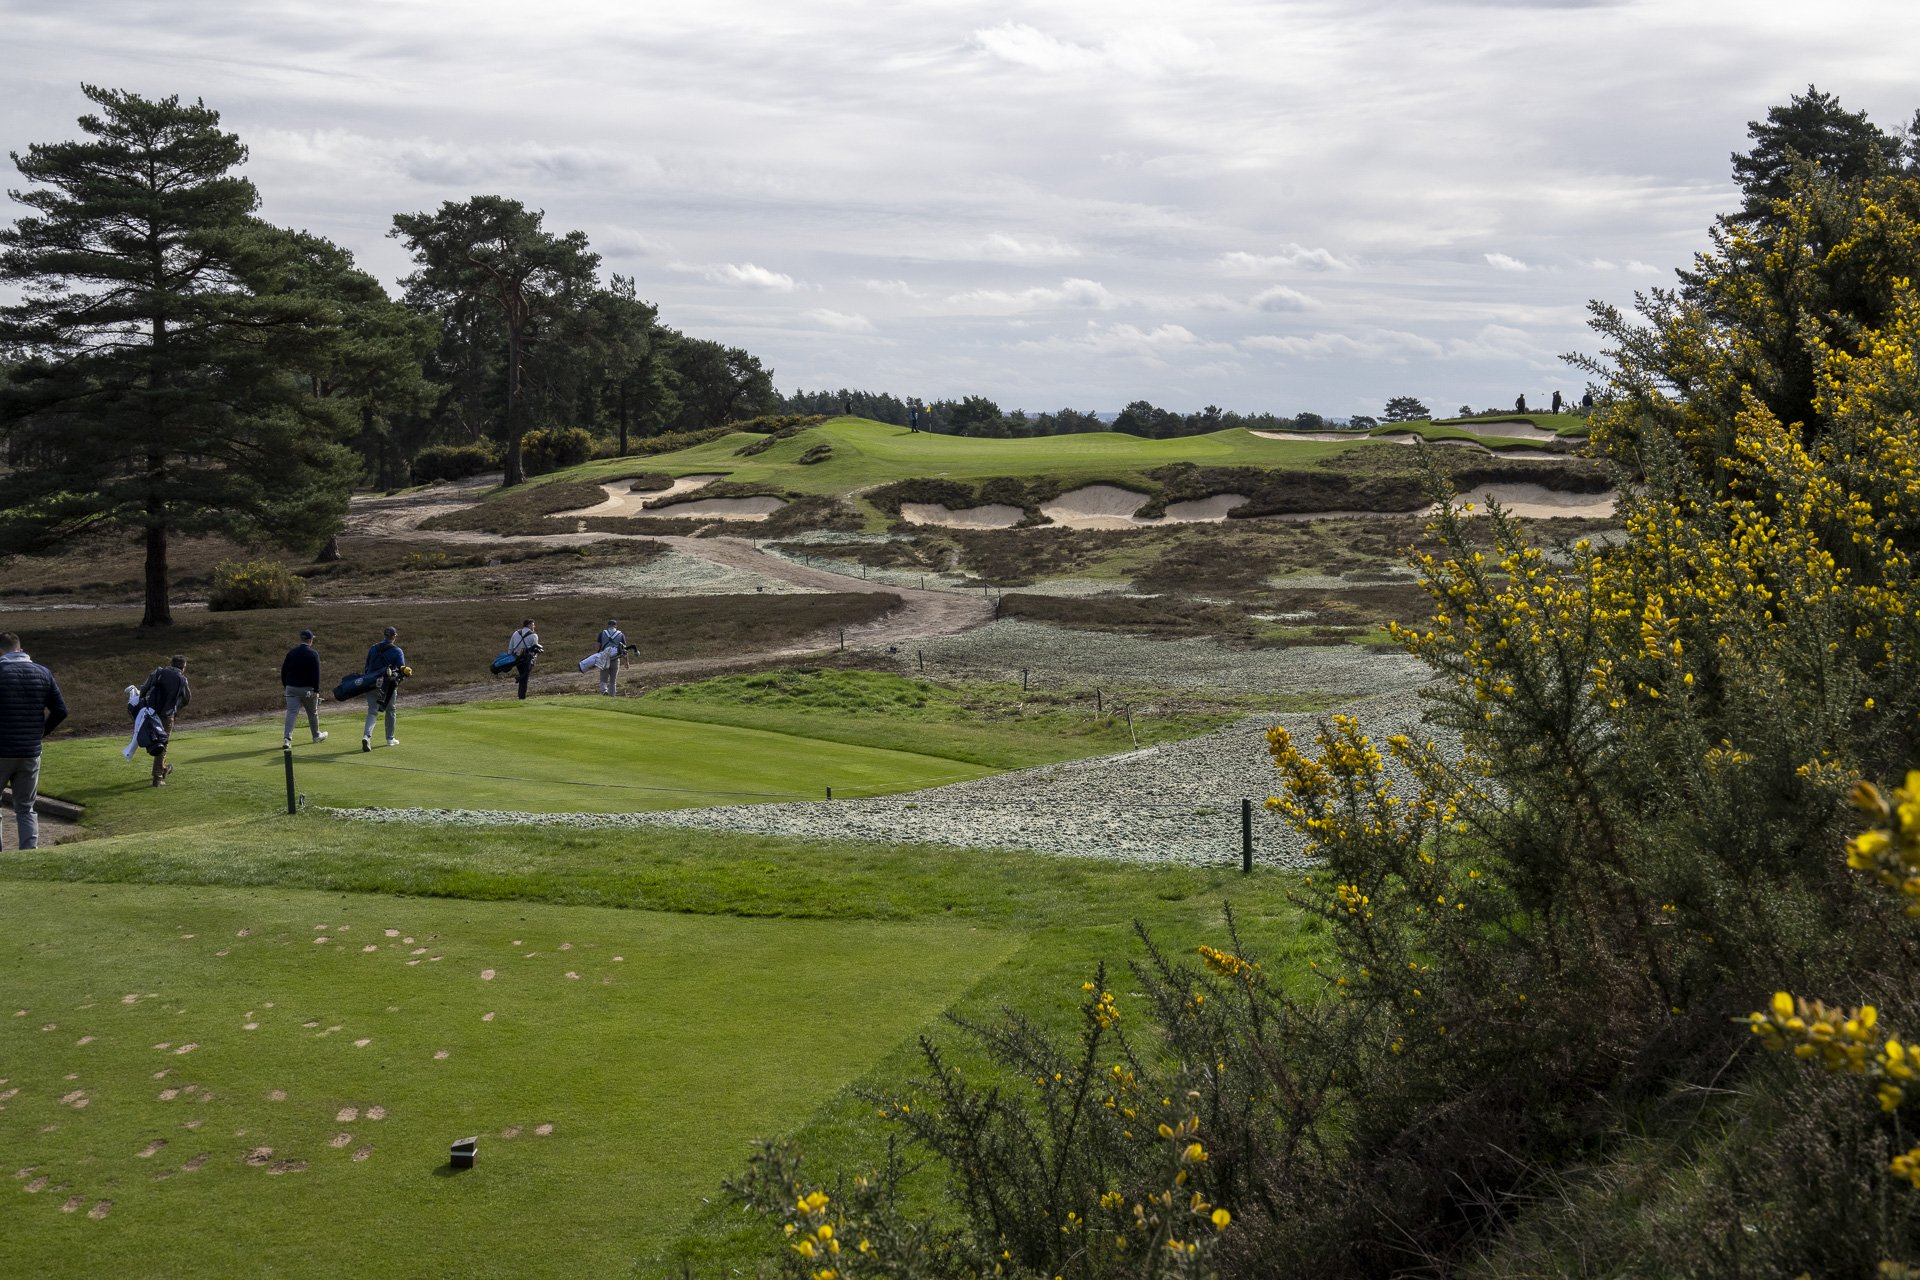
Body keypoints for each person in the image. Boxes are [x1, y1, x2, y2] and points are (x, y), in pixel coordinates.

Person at [0, 632, 68, 851]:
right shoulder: (43, 673)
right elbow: (60, 710)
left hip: (2, 750)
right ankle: (29, 855)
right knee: (26, 808)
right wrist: (40, 733)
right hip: (30, 750)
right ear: (20, 649)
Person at [138, 655, 191, 787]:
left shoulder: (159, 672)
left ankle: (163, 768)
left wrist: (143, 703)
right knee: (162, 745)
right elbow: (186, 699)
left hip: (150, 712)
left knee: (155, 742)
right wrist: (175, 708)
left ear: (171, 663)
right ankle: (158, 778)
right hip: (167, 716)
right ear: (183, 667)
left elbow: (144, 688)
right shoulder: (182, 679)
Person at [280, 629, 328, 750]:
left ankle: (287, 739)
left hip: (291, 688)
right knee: (312, 712)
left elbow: (284, 671)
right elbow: (316, 674)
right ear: (310, 640)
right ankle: (316, 735)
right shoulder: (313, 654)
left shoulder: (292, 652)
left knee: (291, 713)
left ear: (301, 639)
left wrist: (286, 685)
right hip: (307, 689)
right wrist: (316, 690)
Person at [361, 625, 405, 752]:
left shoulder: (373, 648)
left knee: (372, 712)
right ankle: (390, 739)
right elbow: (401, 669)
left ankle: (366, 736)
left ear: (385, 636)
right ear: (394, 637)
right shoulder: (397, 651)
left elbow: (367, 667)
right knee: (390, 710)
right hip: (388, 685)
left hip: (371, 683)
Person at [507, 617, 540, 701]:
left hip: (517, 658)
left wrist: (509, 657)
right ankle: (522, 697)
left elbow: (511, 646)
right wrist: (534, 660)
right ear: (529, 625)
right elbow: (535, 649)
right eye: (533, 625)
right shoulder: (534, 635)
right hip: (527, 659)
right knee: (525, 676)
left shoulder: (516, 633)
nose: (534, 626)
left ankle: (520, 693)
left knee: (523, 674)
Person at [595, 618, 627, 695]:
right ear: (616, 626)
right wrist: (626, 661)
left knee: (603, 678)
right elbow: (624, 649)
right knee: (613, 680)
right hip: (615, 659)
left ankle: (604, 691)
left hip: (604, 658)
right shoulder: (621, 634)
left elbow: (598, 646)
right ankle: (612, 695)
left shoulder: (602, 633)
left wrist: (597, 655)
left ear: (608, 625)